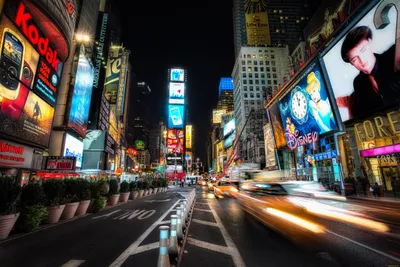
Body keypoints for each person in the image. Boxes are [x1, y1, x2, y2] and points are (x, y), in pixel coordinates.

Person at [338, 26, 400, 118]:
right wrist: (350, 106)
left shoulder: (394, 54)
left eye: (363, 50)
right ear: (351, 63)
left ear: (370, 42)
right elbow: (362, 121)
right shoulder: (359, 83)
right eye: (355, 59)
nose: (362, 61)